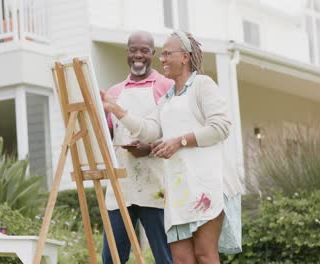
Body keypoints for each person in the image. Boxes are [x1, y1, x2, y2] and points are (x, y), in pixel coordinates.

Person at [101, 30, 243, 263]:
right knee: (181, 259)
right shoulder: (168, 98)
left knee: (205, 255)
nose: (162, 59)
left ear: (185, 57)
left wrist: (180, 141)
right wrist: (114, 109)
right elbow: (148, 130)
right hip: (179, 191)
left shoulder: (202, 85)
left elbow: (221, 127)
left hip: (207, 186)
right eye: (163, 54)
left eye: (167, 54)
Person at [102, 31, 174, 264]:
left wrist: (151, 147)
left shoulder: (167, 86)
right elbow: (108, 135)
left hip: (157, 184)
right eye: (133, 50)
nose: (138, 55)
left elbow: (176, 133)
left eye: (144, 50)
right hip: (121, 184)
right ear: (127, 53)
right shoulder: (114, 93)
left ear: (153, 53)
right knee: (112, 257)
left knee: (166, 256)